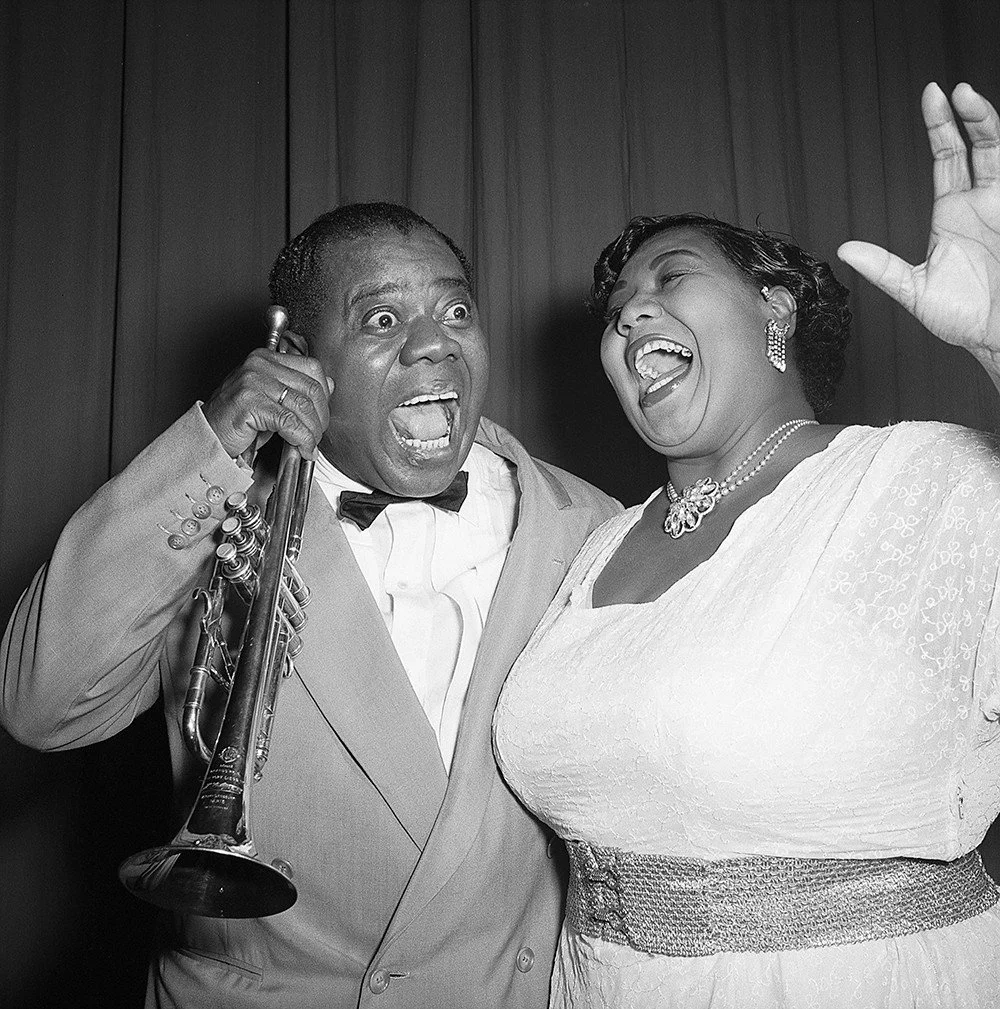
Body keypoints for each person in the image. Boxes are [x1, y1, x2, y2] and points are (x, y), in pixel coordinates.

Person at [0, 202, 619, 1008]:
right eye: (383, 317)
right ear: (298, 357)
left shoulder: (594, 526)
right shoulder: (209, 516)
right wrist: (213, 446)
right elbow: (42, 705)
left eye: (456, 308)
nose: (434, 342)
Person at [493, 82, 1000, 1008]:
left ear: (776, 309)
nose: (628, 316)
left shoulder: (923, 479)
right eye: (615, 310)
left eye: (668, 277)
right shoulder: (598, 546)